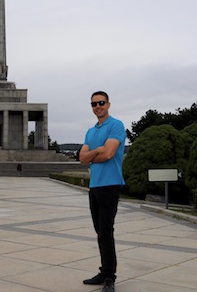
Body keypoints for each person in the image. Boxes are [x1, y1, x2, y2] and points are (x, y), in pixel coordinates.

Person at [79, 91, 126, 292]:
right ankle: (104, 271)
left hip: (110, 185)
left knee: (106, 231)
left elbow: (108, 154)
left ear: (108, 104)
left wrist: (95, 153)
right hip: (95, 186)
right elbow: (82, 158)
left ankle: (109, 277)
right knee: (100, 232)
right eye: (94, 104)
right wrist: (97, 151)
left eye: (101, 103)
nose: (97, 106)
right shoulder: (91, 131)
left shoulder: (116, 125)